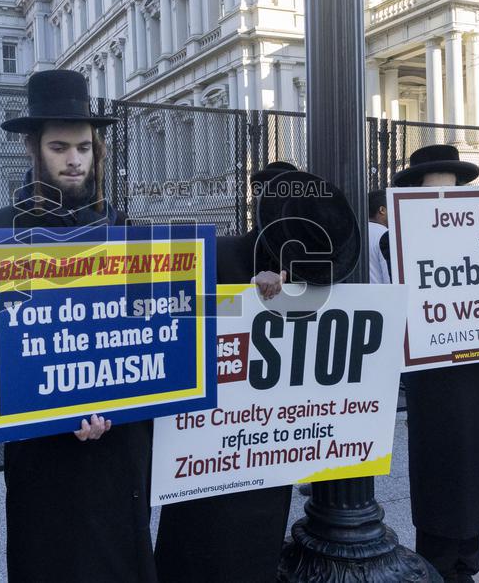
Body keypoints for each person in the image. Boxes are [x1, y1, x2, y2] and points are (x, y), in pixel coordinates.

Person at [0, 69, 156, 582]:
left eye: (83, 146)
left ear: (97, 151)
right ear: (34, 150)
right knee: (47, 556)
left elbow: (156, 328)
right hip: (41, 445)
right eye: (59, 146)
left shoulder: (126, 230)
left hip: (119, 442)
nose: (74, 159)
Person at [154, 162, 362, 583]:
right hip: (205, 461)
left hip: (267, 458)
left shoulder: (319, 287)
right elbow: (175, 326)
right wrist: (246, 296)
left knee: (254, 555)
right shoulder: (215, 257)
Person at [393, 145, 479, 583]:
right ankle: (439, 563)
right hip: (436, 375)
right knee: (443, 471)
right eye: (433, 192)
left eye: (451, 191)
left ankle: (468, 561)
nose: (443, 200)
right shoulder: (399, 239)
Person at [367, 189, 391, 284]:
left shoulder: (355, 234)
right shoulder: (386, 235)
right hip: (381, 297)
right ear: (382, 210)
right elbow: (389, 278)